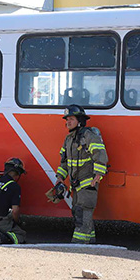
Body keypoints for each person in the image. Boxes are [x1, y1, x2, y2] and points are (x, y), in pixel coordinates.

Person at [54, 104, 108, 244]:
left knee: (83, 211)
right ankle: (90, 240)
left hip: (88, 182)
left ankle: (78, 245)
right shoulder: (69, 139)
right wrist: (60, 178)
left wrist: (98, 175)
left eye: (71, 119)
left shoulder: (89, 136)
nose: (68, 122)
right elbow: (65, 162)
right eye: (67, 119)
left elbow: (100, 154)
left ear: (80, 120)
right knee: (79, 212)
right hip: (76, 185)